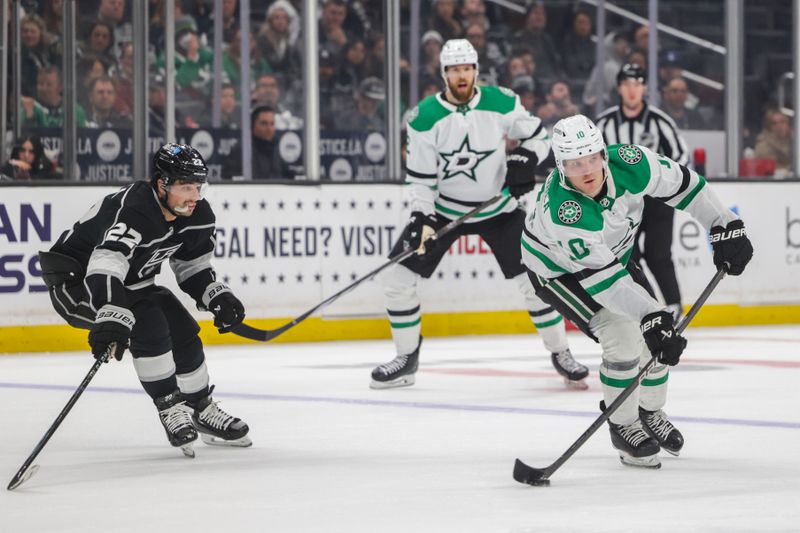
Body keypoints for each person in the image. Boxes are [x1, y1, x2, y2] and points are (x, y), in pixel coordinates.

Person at [521, 114, 753, 468]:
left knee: (656, 335)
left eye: (592, 157)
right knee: (622, 333)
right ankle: (622, 424)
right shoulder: (563, 212)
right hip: (559, 272)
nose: (587, 170)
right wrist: (650, 315)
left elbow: (686, 187)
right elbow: (605, 282)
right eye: (574, 163)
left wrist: (725, 224)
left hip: (611, 258)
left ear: (603, 152)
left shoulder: (632, 161)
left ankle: (649, 412)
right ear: (560, 165)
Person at [370, 39, 589, 390]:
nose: (461, 75)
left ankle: (561, 352)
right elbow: (421, 180)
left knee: (535, 281)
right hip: (444, 211)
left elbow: (539, 138)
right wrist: (423, 217)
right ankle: (406, 358)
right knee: (397, 281)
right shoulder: (425, 117)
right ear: (444, 73)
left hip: (499, 207)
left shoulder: (501, 102)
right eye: (454, 69)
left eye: (467, 68)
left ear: (475, 70)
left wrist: (524, 159)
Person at [39, 143, 251, 456]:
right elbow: (106, 262)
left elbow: (192, 266)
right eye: (185, 187)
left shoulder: (197, 212)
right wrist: (111, 311)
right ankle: (169, 406)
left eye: (198, 186)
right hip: (77, 284)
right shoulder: (135, 209)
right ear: (162, 183)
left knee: (184, 329)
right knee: (148, 322)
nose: (194, 196)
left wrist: (215, 294)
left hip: (132, 284)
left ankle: (200, 408)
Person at [595, 63, 688, 321]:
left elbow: (681, 154)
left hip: (657, 200)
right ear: (619, 88)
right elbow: (594, 159)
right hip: (621, 203)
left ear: (645, 87)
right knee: (628, 256)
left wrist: (664, 185)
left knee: (659, 254)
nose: (632, 90)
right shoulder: (604, 124)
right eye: (627, 84)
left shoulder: (660, 122)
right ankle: (644, 309)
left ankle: (674, 307)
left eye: (637, 84)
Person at [754, 108, 793, 177]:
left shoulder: (796, 143)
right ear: (769, 127)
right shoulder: (763, 146)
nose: (779, 126)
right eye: (774, 123)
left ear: (788, 124)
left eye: (782, 122)